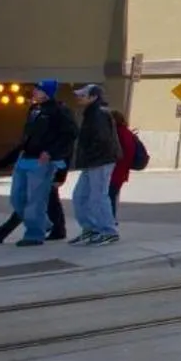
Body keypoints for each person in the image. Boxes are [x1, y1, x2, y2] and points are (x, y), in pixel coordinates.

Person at [0, 80, 74, 245]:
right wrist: (1, 163)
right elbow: (25, 140)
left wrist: (52, 154)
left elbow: (69, 136)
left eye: (38, 89)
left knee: (36, 200)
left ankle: (34, 235)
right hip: (25, 158)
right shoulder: (34, 109)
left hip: (41, 161)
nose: (34, 91)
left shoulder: (60, 111)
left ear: (47, 92)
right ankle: (44, 223)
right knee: (17, 198)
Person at [69, 84, 121, 246]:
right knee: (80, 196)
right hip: (92, 162)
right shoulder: (92, 113)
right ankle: (91, 229)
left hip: (99, 161)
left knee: (98, 196)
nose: (79, 97)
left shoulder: (98, 114)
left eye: (83, 95)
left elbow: (102, 140)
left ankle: (108, 231)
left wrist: (91, 158)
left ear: (93, 97)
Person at [109, 109, 142, 218]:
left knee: (109, 198)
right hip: (121, 171)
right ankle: (111, 220)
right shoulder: (126, 133)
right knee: (111, 197)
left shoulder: (117, 133)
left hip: (115, 171)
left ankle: (110, 222)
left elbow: (119, 153)